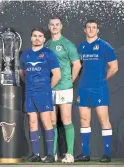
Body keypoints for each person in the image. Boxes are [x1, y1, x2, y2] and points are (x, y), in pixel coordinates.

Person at [75, 19, 118, 163]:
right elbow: (77, 67)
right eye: (89, 27)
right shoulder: (80, 47)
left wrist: (103, 80)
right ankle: (85, 154)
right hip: (83, 88)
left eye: (94, 27)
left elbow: (114, 67)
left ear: (97, 30)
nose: (91, 29)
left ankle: (106, 154)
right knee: (84, 120)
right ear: (84, 30)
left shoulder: (105, 46)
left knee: (103, 120)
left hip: (99, 88)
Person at [19, 28, 61, 163]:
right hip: (30, 93)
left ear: (44, 39)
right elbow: (22, 74)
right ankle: (35, 154)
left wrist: (47, 88)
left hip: (44, 93)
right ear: (31, 38)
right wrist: (31, 86)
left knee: (46, 121)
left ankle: (50, 154)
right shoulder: (25, 55)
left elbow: (57, 75)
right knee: (32, 122)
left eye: (40, 36)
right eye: (35, 36)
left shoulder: (49, 54)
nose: (37, 38)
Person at [45, 16, 82, 163]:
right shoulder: (46, 44)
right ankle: (53, 154)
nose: (54, 27)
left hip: (64, 87)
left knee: (66, 119)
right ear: (49, 27)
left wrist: (70, 81)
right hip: (50, 87)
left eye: (57, 24)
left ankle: (70, 154)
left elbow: (77, 65)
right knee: (52, 120)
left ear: (61, 26)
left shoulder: (68, 44)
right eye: (52, 24)